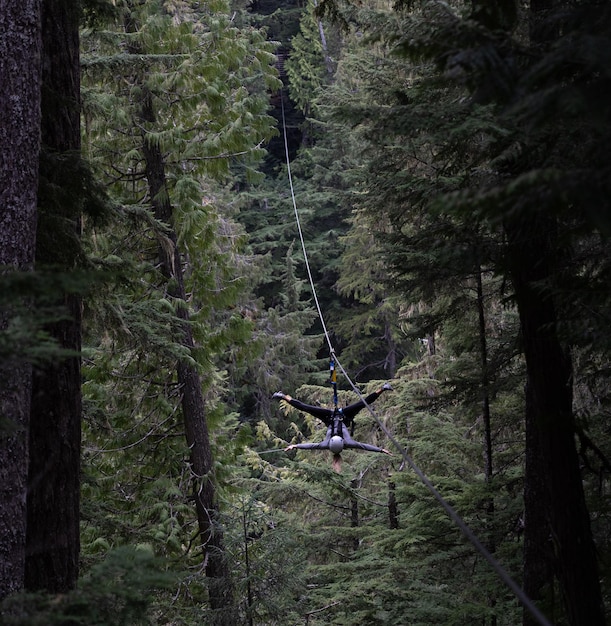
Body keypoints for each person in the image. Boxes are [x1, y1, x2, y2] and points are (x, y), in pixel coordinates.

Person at [273, 383, 393, 472]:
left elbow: (310, 446)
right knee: (362, 403)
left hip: (329, 418)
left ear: (331, 441)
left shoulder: (326, 444)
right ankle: (382, 388)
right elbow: (365, 446)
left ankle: (283, 396)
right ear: (342, 442)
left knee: (306, 408)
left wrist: (295, 445)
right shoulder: (348, 442)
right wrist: (381, 450)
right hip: (344, 416)